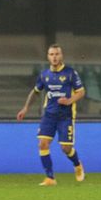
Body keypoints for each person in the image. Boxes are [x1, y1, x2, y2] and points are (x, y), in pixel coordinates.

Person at [17, 44, 86, 186]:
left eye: (57, 54)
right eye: (51, 54)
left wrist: (69, 101)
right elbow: (35, 91)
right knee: (42, 144)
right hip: (49, 115)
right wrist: (25, 108)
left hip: (65, 116)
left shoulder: (70, 73)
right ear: (48, 57)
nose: (54, 57)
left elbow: (81, 92)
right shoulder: (44, 75)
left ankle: (77, 164)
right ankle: (50, 178)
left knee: (65, 148)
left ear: (61, 56)